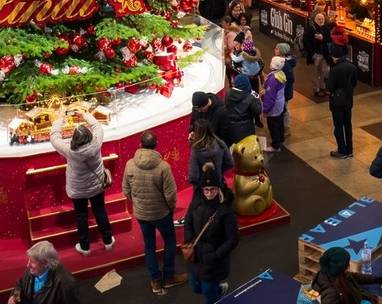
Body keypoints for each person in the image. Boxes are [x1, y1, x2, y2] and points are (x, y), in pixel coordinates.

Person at [122, 130, 183, 294]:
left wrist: (138, 203)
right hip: (162, 213)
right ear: (156, 145)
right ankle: (169, 277)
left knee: (149, 245)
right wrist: (170, 208)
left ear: (140, 145)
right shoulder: (163, 167)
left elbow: (125, 190)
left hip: (142, 214)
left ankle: (155, 281)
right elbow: (171, 194)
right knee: (170, 242)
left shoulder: (129, 164)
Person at [49, 109, 113, 255]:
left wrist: (60, 118)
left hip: (78, 189)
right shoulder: (97, 141)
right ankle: (108, 240)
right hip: (97, 185)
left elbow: (54, 136)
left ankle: (85, 247)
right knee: (100, 210)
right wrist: (85, 114)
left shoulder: (69, 150)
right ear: (90, 136)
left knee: (81, 215)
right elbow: (97, 126)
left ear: (74, 140)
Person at [183, 165, 239, 304]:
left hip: (213, 261)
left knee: (209, 293)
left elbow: (233, 239)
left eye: (212, 189)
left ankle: (215, 294)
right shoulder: (196, 204)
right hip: (196, 256)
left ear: (218, 189)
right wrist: (189, 238)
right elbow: (188, 221)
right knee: (195, 287)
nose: (209, 193)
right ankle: (219, 290)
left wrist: (216, 254)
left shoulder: (225, 211)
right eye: (206, 189)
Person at [309, 246, 382, 304]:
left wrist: (380, 279)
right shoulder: (332, 294)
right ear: (346, 267)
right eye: (348, 262)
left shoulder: (332, 272)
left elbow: (356, 277)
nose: (350, 264)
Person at [7, 240, 81, 304]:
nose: (28, 265)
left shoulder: (65, 283)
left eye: (32, 262)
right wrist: (15, 296)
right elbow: (20, 284)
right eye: (29, 260)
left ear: (45, 263)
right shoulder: (32, 270)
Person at [327, 43, 358, 158]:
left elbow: (330, 87)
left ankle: (342, 150)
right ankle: (349, 149)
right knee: (348, 125)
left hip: (337, 102)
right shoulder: (352, 66)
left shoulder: (335, 69)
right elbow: (354, 83)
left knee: (338, 126)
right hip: (348, 100)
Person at [222, 73, 261, 147]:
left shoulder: (228, 93)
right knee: (246, 147)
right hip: (246, 128)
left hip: (231, 126)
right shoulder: (250, 97)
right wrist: (257, 99)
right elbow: (258, 111)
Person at [261, 56, 287, 152]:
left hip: (274, 107)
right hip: (280, 104)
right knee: (279, 122)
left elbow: (270, 98)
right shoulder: (281, 74)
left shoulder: (273, 79)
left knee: (273, 126)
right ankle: (281, 138)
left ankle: (275, 146)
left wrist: (265, 110)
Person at [306, 10, 332, 98]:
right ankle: (316, 90)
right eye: (319, 19)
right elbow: (306, 42)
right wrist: (312, 53)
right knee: (316, 73)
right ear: (315, 20)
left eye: (322, 19)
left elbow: (329, 39)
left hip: (324, 54)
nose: (321, 21)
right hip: (316, 54)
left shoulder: (326, 28)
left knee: (325, 71)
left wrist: (322, 38)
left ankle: (323, 87)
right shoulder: (310, 29)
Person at [275, 42, 295, 131]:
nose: (275, 50)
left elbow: (290, 79)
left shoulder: (285, 64)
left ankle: (286, 127)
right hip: (282, 91)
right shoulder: (282, 62)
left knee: (284, 109)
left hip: (284, 91)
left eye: (277, 48)